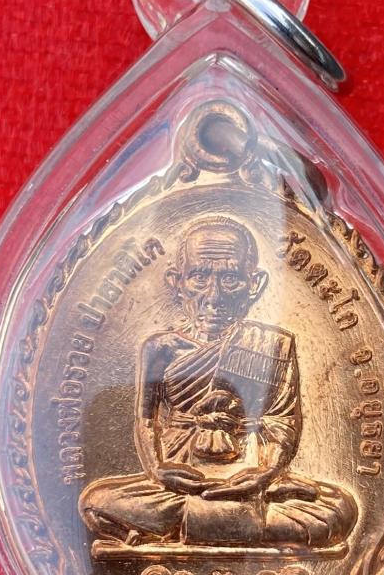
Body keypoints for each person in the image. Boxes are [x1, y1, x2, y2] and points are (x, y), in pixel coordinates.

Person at [79, 218, 357, 547]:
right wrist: (158, 469)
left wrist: (264, 475)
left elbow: (282, 420)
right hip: (181, 482)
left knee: (339, 510)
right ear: (177, 282)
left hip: (252, 478)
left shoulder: (274, 345)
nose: (214, 296)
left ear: (254, 284)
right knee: (96, 502)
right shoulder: (160, 348)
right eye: (200, 277)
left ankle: (184, 526)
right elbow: (146, 420)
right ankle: (242, 526)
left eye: (231, 279)